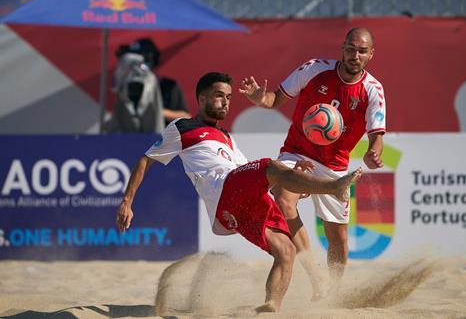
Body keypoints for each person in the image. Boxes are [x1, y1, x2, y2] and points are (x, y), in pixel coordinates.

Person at [115, 72, 362, 312]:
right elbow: (146, 160)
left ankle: (270, 306)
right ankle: (334, 186)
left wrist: (293, 177)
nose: (225, 102)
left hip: (238, 205)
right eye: (219, 96)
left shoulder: (226, 136)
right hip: (223, 189)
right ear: (201, 99)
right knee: (270, 166)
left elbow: (253, 175)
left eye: (229, 97)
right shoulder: (182, 127)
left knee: (286, 251)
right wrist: (127, 201)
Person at [239, 27, 386, 298]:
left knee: (339, 240)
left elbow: (377, 135)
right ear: (342, 48)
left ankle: (333, 293)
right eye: (351, 48)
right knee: (283, 198)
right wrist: (261, 99)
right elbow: (275, 100)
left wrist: (373, 152)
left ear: (371, 54)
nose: (355, 55)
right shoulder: (315, 69)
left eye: (362, 51)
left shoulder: (372, 90)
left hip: (335, 165)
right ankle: (315, 273)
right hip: (297, 152)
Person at [110, 38, 190, 132]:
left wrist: (156, 111)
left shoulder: (169, 86)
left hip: (162, 140)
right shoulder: (124, 87)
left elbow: (186, 117)